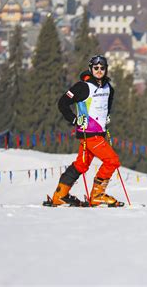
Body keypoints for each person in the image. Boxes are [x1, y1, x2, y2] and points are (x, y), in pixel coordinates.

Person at [49, 55, 123, 207]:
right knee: (112, 161)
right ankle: (97, 195)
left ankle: (60, 195)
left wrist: (106, 116)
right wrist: (74, 119)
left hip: (98, 133)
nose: (99, 70)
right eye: (96, 68)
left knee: (81, 165)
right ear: (91, 68)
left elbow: (106, 106)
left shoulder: (109, 88)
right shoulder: (82, 87)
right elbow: (63, 103)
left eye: (102, 68)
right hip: (89, 135)